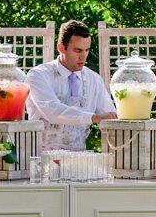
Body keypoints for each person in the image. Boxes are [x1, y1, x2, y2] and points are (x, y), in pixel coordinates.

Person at [27, 20, 117, 151]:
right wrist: (93, 118)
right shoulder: (38, 75)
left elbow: (110, 118)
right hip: (39, 157)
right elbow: (52, 111)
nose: (83, 56)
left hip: (78, 159)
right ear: (61, 48)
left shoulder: (94, 79)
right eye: (78, 50)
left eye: (86, 50)